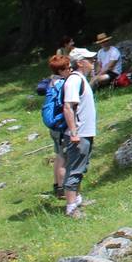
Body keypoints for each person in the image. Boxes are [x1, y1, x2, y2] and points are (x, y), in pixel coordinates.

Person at [62, 48, 99, 218]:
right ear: (80, 62)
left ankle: (76, 199)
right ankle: (71, 207)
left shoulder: (80, 79)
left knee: (81, 167)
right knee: (74, 169)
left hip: (85, 131)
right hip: (79, 133)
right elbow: (68, 107)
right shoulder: (74, 81)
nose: (93, 61)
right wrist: (74, 133)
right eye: (89, 59)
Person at [44, 54, 71, 198]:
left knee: (58, 155)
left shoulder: (52, 82)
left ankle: (57, 185)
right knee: (63, 157)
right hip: (60, 125)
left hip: (53, 125)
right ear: (61, 70)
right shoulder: (62, 84)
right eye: (68, 67)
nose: (70, 70)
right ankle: (62, 189)